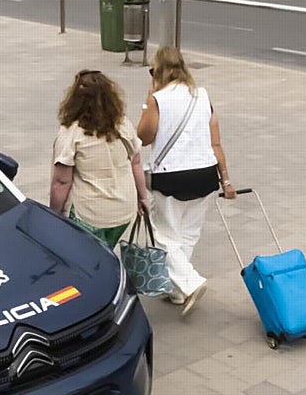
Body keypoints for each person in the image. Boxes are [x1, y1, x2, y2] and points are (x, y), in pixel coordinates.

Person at [136, 46, 236, 316]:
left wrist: (149, 95)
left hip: (171, 176)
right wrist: (226, 181)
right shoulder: (202, 95)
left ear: (157, 71)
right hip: (205, 175)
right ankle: (177, 292)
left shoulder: (158, 98)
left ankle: (191, 282)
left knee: (161, 235)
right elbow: (216, 142)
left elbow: (143, 137)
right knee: (188, 234)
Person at [50, 70, 149, 248]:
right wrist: (143, 197)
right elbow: (136, 163)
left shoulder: (71, 132)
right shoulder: (122, 125)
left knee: (86, 260)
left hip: (89, 214)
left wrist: (53, 215)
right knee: (106, 253)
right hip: (123, 210)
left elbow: (61, 182)